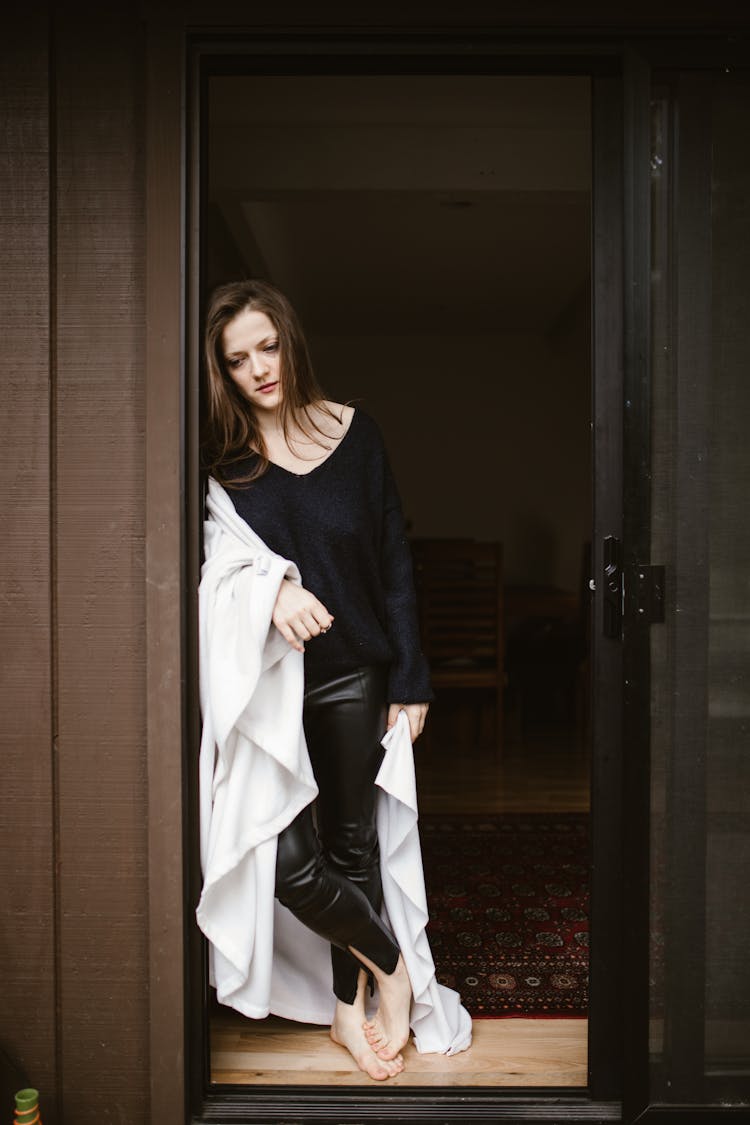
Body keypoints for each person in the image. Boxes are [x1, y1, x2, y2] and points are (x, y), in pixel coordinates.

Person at [200, 279, 454, 1081]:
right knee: (280, 857)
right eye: (237, 360)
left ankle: (349, 1014)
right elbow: (218, 564)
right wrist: (272, 589)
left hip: (354, 676)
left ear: (290, 341)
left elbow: (394, 563)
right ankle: (393, 966)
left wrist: (411, 678)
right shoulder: (227, 470)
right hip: (272, 687)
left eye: (266, 347)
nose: (258, 369)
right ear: (225, 373)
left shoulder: (358, 435)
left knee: (353, 848)